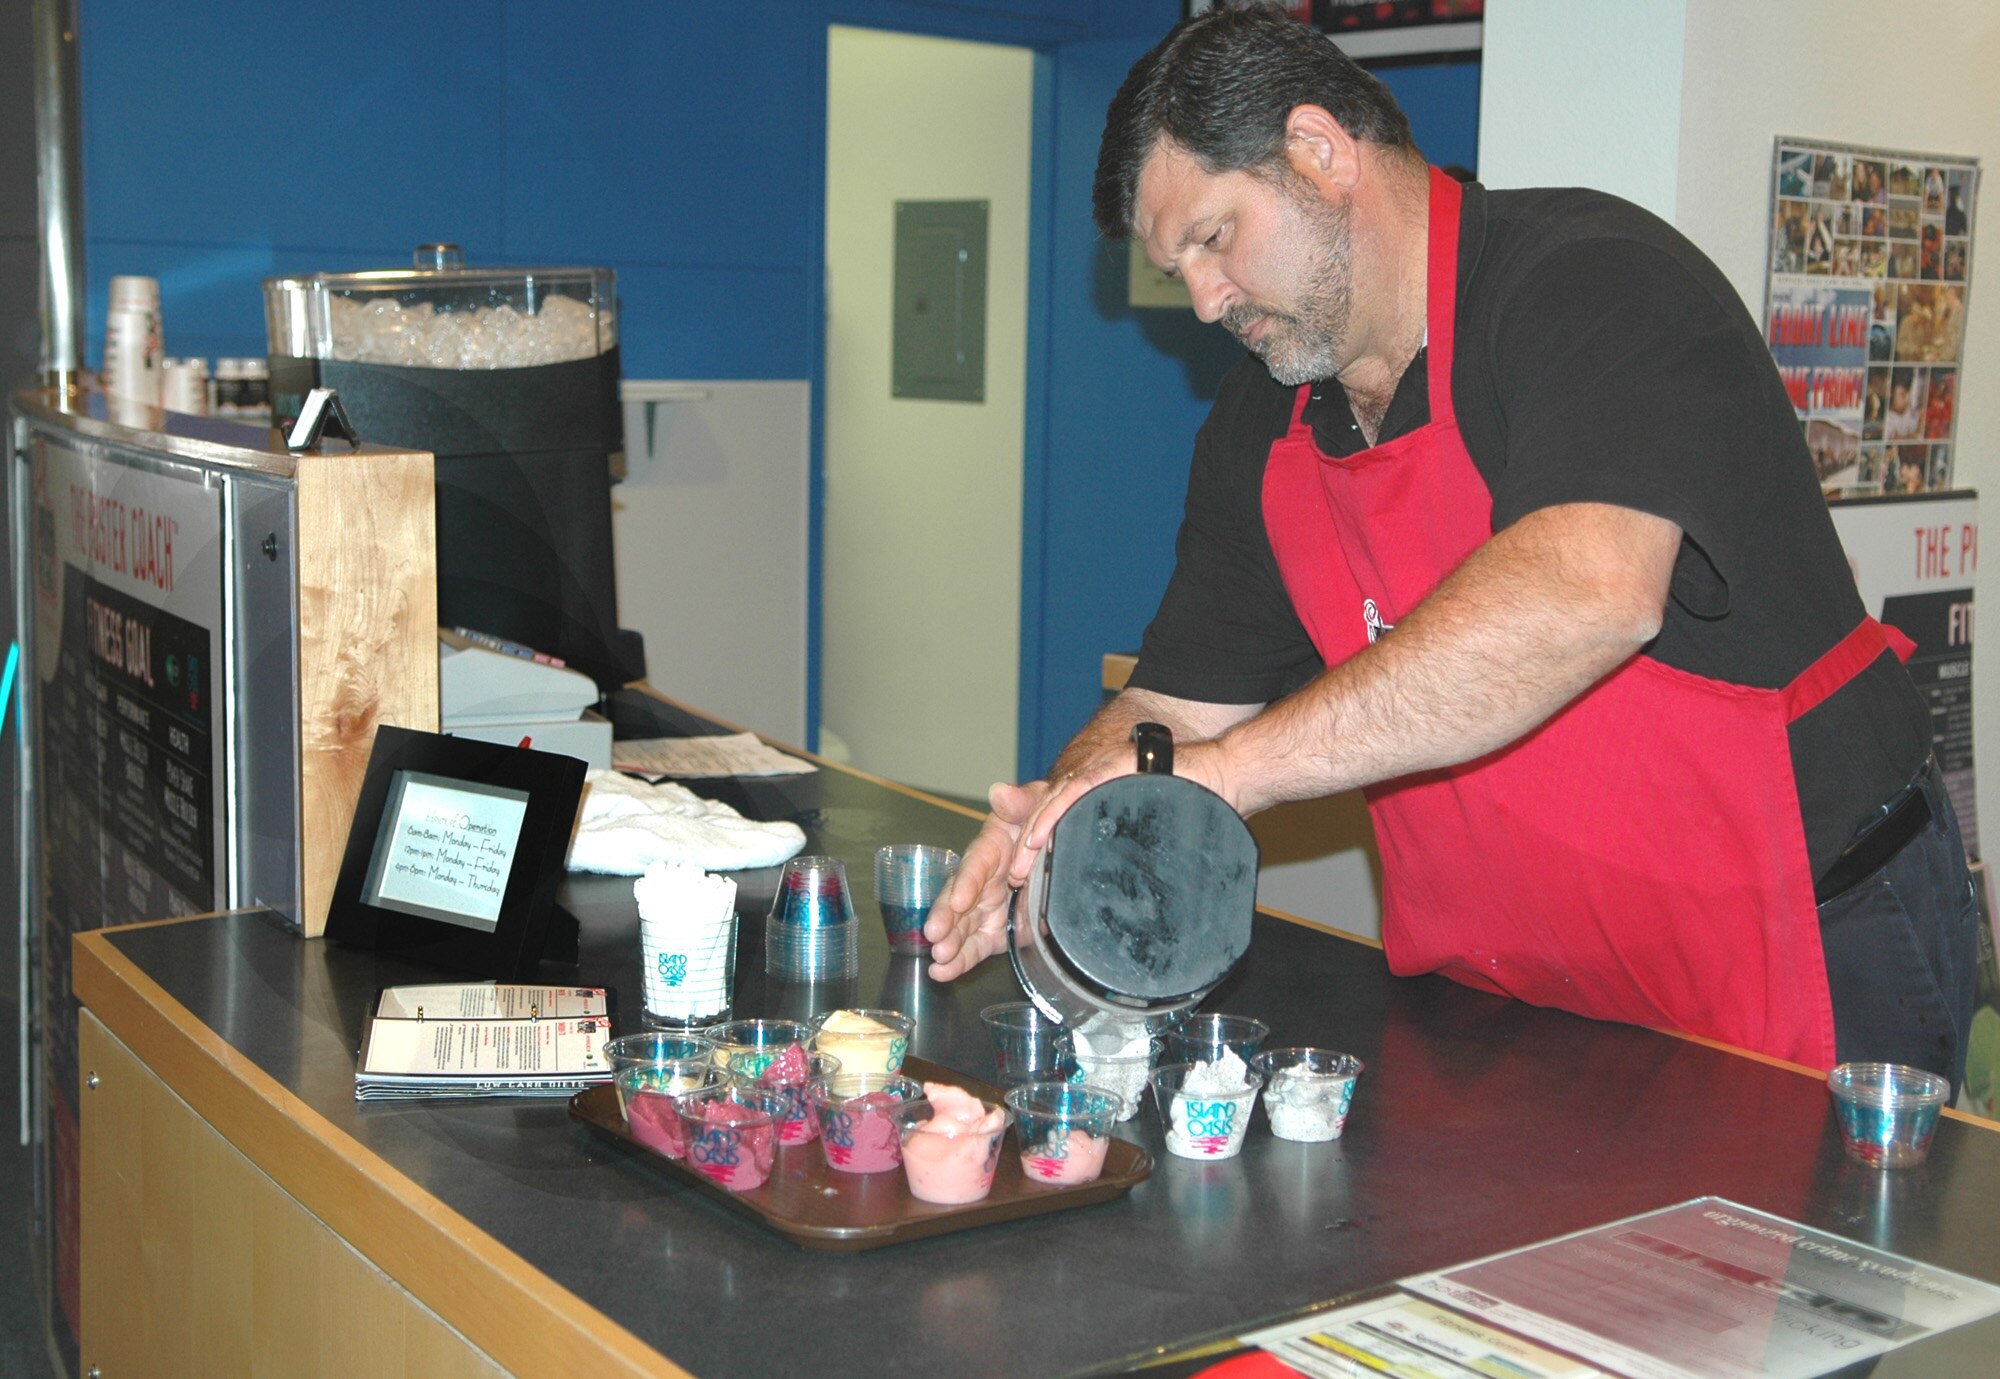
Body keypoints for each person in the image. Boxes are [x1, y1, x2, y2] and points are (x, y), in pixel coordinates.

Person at [924, 8, 1978, 1091]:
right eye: (1174, 266)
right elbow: (1179, 707)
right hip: (1512, 980)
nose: (1202, 301)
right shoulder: (1261, 427)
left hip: (1800, 935)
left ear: (1319, 153)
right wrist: (1061, 826)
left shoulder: (1592, 285)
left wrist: (1235, 775)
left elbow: (1588, 591)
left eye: (1211, 237)